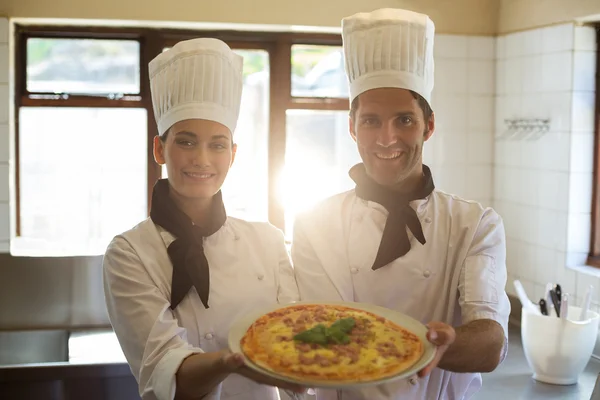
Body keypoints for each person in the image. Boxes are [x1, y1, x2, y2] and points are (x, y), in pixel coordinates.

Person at [291, 8, 510, 400]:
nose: (387, 138)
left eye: (404, 120)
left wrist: (444, 344)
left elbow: (491, 342)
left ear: (428, 125)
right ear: (352, 126)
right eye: (371, 120)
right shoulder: (314, 224)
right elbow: (321, 333)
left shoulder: (474, 225)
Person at [102, 38, 302, 400]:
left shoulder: (268, 241)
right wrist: (234, 362)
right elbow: (167, 373)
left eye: (218, 144)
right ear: (159, 149)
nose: (203, 160)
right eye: (187, 142)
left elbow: (294, 347)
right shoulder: (130, 253)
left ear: (233, 154)